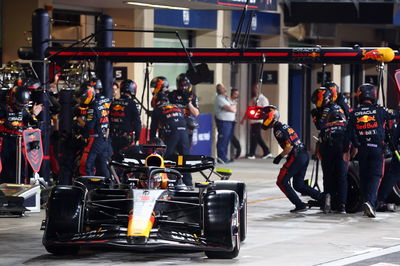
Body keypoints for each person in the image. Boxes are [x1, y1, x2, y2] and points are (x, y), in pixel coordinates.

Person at [260, 105, 329, 213]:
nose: (263, 119)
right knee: (298, 184)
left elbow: (289, 147)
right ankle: (322, 198)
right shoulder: (283, 126)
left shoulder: (278, 129)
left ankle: (300, 204)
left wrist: (279, 157)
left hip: (296, 156)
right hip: (303, 155)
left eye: (264, 117)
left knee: (281, 181)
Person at [348, 83, 398, 218]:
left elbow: (349, 133)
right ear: (374, 96)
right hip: (377, 149)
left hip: (362, 149)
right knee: (375, 177)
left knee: (364, 176)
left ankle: (366, 201)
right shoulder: (380, 111)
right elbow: (395, 114)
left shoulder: (353, 113)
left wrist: (356, 145)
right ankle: (370, 202)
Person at [311, 87, 349, 213]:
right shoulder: (335, 107)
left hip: (334, 143)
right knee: (337, 175)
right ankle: (337, 204)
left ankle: (334, 204)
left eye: (317, 100)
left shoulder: (329, 108)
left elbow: (320, 125)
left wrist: (316, 115)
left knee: (333, 175)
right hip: (337, 143)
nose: (316, 102)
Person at [0, 85, 42, 183]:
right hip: (5, 141)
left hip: (19, 142)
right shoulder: (3, 107)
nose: (20, 108)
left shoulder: (23, 110)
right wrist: (4, 123)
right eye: (19, 105)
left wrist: (34, 118)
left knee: (21, 167)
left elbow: (30, 119)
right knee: (5, 169)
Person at [150, 92, 192, 187]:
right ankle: (188, 184)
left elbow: (153, 131)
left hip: (173, 133)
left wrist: (152, 142)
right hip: (184, 133)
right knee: (184, 160)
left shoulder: (157, 110)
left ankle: (168, 182)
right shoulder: (177, 107)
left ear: (157, 102)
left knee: (166, 159)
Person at [77, 81, 111, 178]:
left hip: (95, 139)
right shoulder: (104, 101)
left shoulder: (92, 107)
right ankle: (109, 186)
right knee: (103, 166)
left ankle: (89, 188)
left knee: (86, 165)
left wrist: (78, 118)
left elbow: (89, 127)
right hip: (105, 138)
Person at [110, 79, 141, 155]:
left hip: (112, 137)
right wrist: (137, 138)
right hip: (125, 139)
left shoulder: (113, 103)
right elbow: (137, 123)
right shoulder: (132, 103)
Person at [168, 74, 199, 146]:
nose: (183, 88)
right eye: (182, 86)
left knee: (185, 151)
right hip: (174, 126)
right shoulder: (172, 95)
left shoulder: (192, 96)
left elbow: (196, 113)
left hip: (187, 127)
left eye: (185, 86)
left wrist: (188, 102)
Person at [243, 83, 272, 159]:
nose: (254, 90)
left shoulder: (263, 99)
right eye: (254, 88)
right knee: (256, 137)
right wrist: (244, 118)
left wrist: (266, 121)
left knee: (255, 136)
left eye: (256, 88)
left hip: (258, 121)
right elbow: (249, 109)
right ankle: (265, 152)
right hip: (252, 121)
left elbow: (266, 110)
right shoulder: (253, 99)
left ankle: (253, 153)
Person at [214, 84, 236, 164]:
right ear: (219, 90)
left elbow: (234, 107)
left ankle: (225, 157)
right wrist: (232, 107)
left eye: (223, 87)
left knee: (226, 140)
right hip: (223, 122)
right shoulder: (219, 98)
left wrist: (232, 107)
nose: (224, 89)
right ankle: (221, 157)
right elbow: (231, 108)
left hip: (229, 122)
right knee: (222, 139)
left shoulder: (226, 98)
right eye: (222, 88)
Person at [230, 88, 241, 160]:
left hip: (233, 121)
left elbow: (234, 111)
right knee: (230, 137)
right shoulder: (229, 101)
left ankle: (238, 149)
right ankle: (237, 150)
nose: (236, 96)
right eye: (235, 94)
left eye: (237, 94)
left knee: (231, 136)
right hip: (229, 120)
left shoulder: (235, 101)